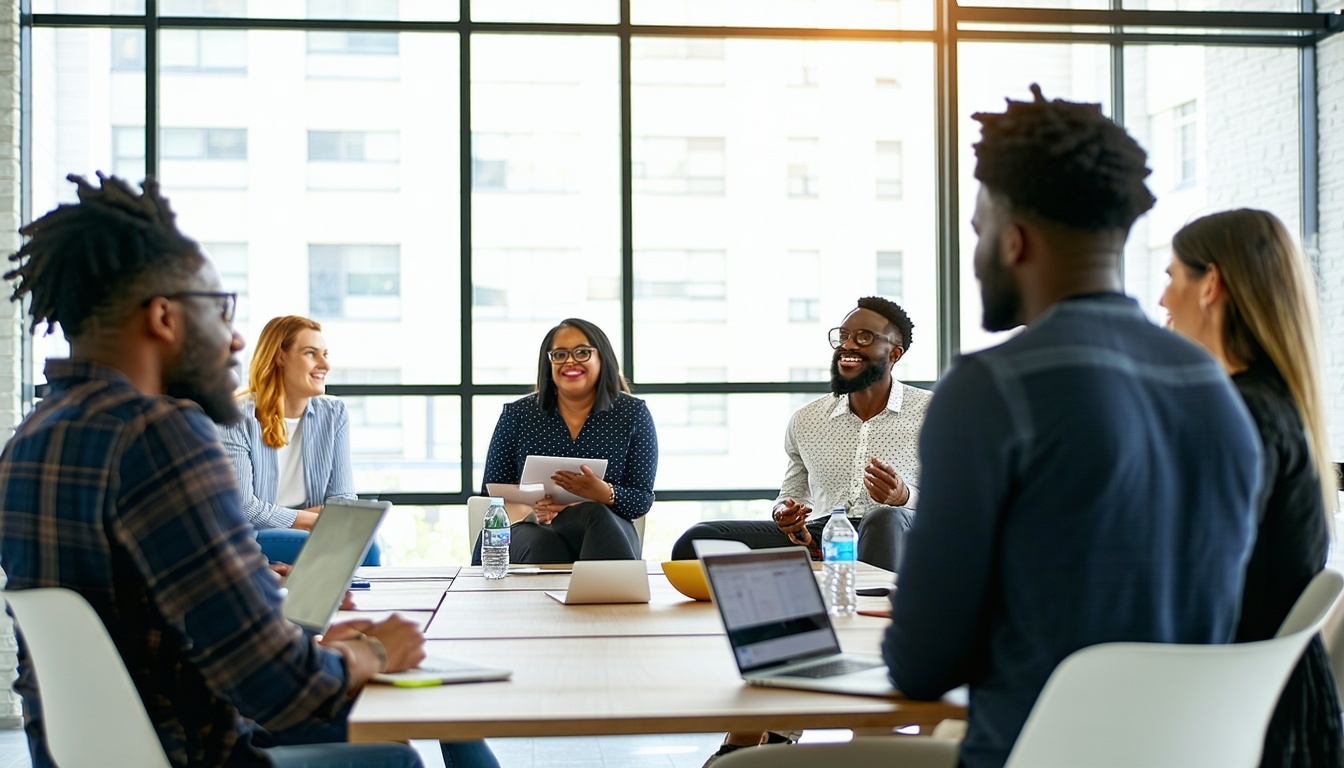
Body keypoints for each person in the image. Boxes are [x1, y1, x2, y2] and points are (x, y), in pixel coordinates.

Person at [0, 173, 496, 768]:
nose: (235, 338)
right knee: (394, 756)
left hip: (114, 748)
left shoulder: (30, 440)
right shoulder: (158, 434)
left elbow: (153, 613)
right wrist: (368, 656)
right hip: (197, 750)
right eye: (220, 309)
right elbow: (277, 686)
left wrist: (270, 603)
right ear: (164, 318)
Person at [882, 87, 1262, 768]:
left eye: (978, 233)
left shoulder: (990, 387)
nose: (976, 256)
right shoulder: (1213, 388)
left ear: (1014, 240)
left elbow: (921, 665)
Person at [1160, 208, 1344, 767]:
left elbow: (1186, 581)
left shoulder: (1239, 415)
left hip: (1234, 718)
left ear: (1210, 284)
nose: (1163, 300)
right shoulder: (1270, 404)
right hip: (1269, 703)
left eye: (1171, 277)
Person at [671, 297, 930, 573]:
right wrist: (785, 514)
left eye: (864, 337)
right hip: (825, 534)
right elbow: (793, 493)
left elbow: (956, 498)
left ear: (894, 354)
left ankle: (870, 608)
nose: (848, 346)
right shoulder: (807, 420)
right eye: (843, 336)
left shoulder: (931, 412)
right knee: (699, 537)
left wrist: (903, 496)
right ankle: (814, 562)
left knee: (883, 519)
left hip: (906, 530)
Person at [474, 317, 657, 564]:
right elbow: (492, 488)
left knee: (595, 513)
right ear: (548, 364)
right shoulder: (518, 414)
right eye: (559, 355)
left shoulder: (633, 414)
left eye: (582, 352)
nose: (570, 361)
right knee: (545, 544)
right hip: (527, 524)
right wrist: (537, 507)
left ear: (602, 358)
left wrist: (604, 493)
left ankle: (608, 603)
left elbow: (641, 499)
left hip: (602, 525)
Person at [217, 314, 379, 565]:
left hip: (311, 531)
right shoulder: (237, 417)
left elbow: (344, 503)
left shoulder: (334, 414)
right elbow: (245, 509)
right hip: (252, 539)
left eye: (326, 354)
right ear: (280, 357)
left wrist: (295, 518)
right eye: (311, 353)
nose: (324, 364)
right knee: (366, 551)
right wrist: (314, 519)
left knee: (364, 545)